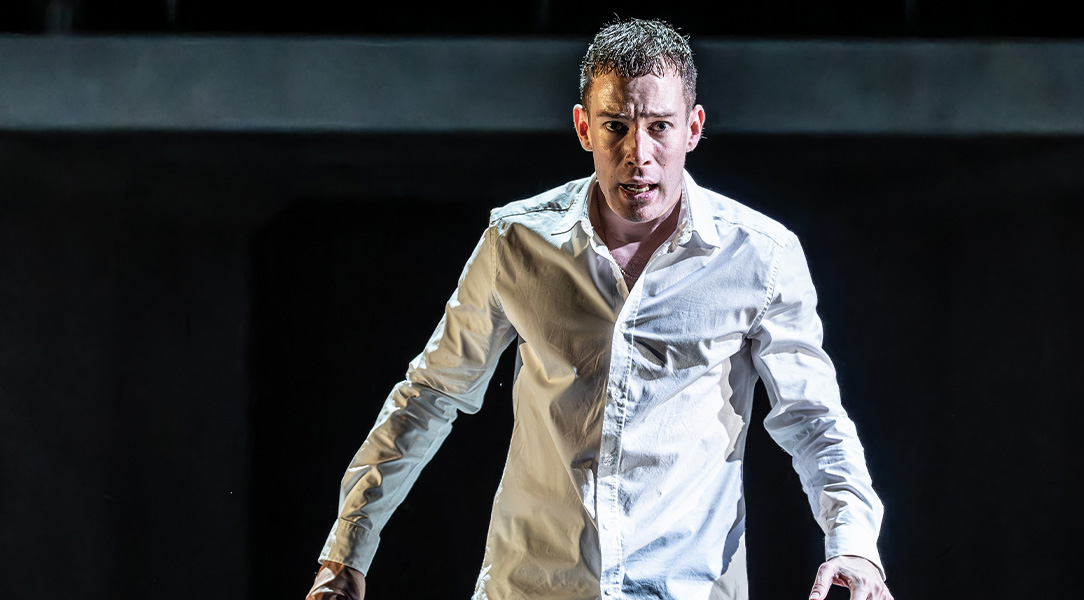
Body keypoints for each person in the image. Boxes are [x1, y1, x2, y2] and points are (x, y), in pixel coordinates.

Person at [306, 18, 892, 600]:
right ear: (584, 127)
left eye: (660, 127)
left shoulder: (760, 255)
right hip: (534, 587)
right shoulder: (517, 242)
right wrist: (346, 549)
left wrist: (855, 542)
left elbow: (812, 417)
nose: (639, 154)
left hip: (686, 588)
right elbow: (431, 394)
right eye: (616, 126)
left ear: (693, 128)